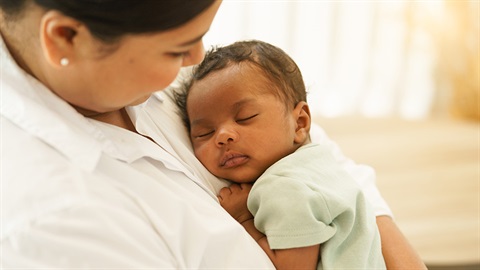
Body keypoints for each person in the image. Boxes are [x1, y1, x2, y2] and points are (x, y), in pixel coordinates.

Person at [0, 0, 426, 269]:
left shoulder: (129, 60)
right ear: (66, 38)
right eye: (177, 48)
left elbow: (315, 152)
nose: (197, 57)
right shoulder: (50, 222)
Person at [174, 40, 386, 269]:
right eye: (205, 133)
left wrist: (244, 218)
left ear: (299, 123)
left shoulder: (282, 186)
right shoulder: (319, 163)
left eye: (244, 117)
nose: (223, 136)